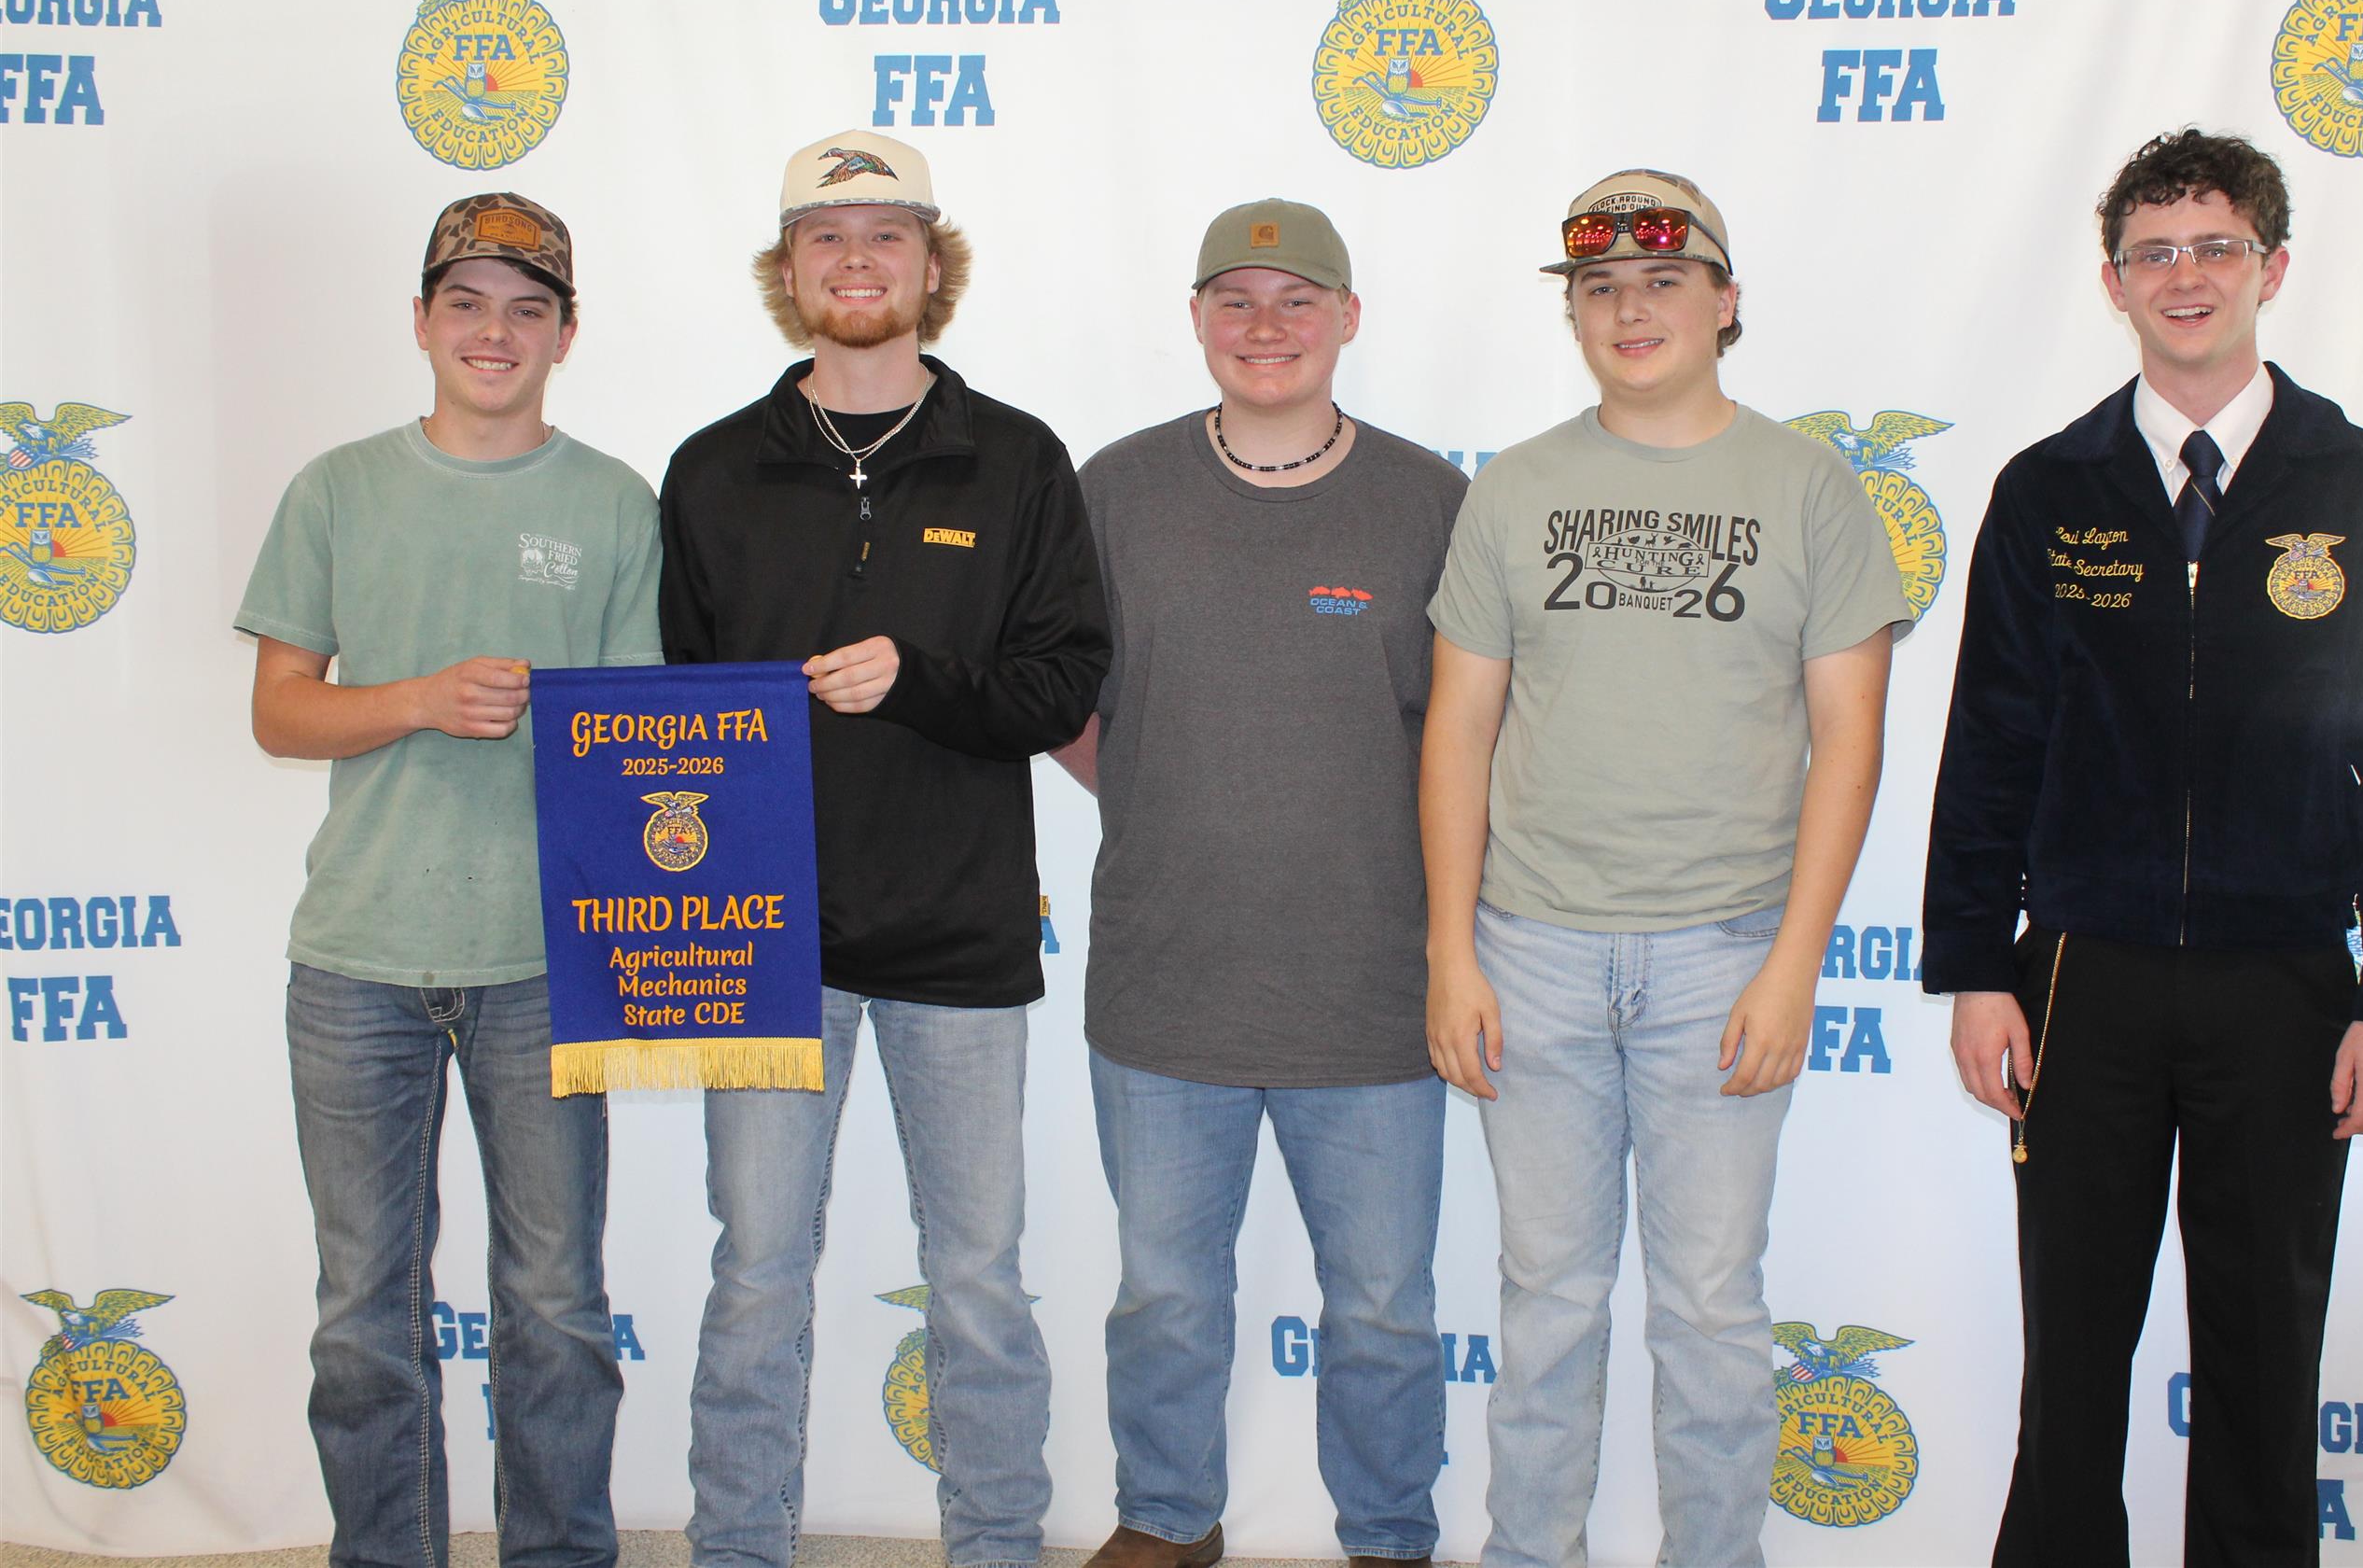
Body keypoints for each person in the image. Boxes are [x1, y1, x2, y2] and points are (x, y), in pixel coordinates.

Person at [1921, 127, 2363, 1568]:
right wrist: (1974, 967)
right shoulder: (2050, 489)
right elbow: (1990, 744)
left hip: (2285, 981)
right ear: (2112, 281)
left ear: (2270, 268)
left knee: (2264, 1353)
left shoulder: (2362, 486)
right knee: (2072, 1353)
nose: (2186, 276)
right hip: (2081, 979)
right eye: (2153, 252)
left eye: (2216, 246)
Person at [1420, 168, 1908, 1567]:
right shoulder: (1515, 489)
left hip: (1724, 957)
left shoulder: (1810, 488)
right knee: (1546, 1304)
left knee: (1709, 1309)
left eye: (1664, 281)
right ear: (1574, 312)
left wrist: (1795, 966)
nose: (1630, 310)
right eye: (1600, 288)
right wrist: (1452, 952)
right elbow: (1458, 728)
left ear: (1725, 301)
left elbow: (1850, 742)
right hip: (1531, 952)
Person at [657, 130, 1108, 1568]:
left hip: (959, 940)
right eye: (827, 238)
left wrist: (920, 678)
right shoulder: (713, 469)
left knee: (977, 1281)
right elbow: (672, 717)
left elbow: (1062, 687)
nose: (857, 261)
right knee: (755, 1276)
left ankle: (997, 1546)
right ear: (789, 271)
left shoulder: (1017, 459)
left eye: (886, 235)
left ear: (932, 262)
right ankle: (737, 1548)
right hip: (756, 949)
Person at [237, 192, 656, 1566]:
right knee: (362, 1312)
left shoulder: (615, 503)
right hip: (356, 958)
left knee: (557, 1304)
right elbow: (279, 712)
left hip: (547, 962)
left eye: (529, 309)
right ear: (421, 322)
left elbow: (649, 738)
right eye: (466, 304)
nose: (495, 332)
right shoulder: (336, 489)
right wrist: (416, 699)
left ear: (566, 336)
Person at [1051, 200, 1467, 1568]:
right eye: (1236, 299)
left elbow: (1469, 730)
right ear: (1195, 319)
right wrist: (1172, 790)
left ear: (1349, 318)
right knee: (1165, 1297)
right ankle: (1167, 1522)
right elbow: (1065, 700)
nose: (1266, 326)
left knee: (1385, 1308)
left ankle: (1391, 1536)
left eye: (1298, 300)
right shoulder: (1115, 491)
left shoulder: (1429, 502)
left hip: (1375, 989)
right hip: (1166, 981)